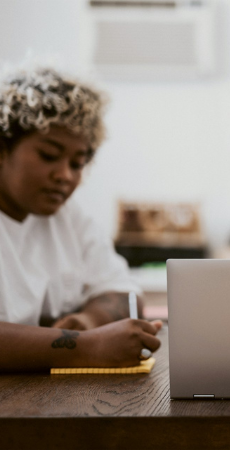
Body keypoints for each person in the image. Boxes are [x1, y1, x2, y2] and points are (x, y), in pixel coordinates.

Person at [0, 66, 161, 371]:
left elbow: (124, 292)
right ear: (2, 149)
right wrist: (85, 345)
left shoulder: (69, 218)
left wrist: (86, 320)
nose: (65, 175)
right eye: (48, 155)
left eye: (78, 163)